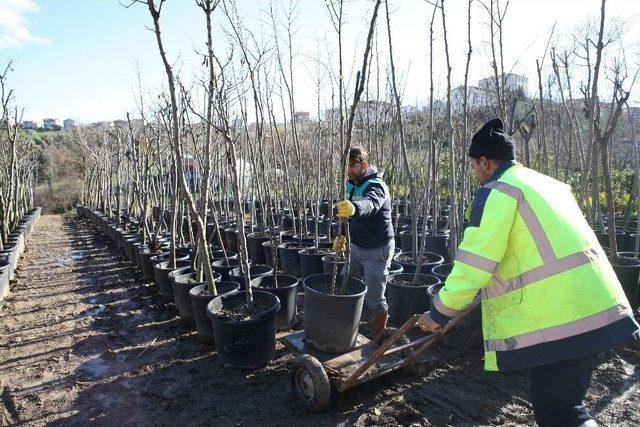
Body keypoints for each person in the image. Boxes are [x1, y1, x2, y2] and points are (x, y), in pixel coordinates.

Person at [417, 117, 640, 427]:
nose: (474, 173)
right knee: (566, 406)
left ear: (485, 162)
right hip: (594, 307)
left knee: (560, 414)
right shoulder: (547, 184)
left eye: (473, 167)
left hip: (561, 318)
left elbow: (474, 264)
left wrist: (440, 312)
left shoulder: (499, 192)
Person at [333, 147, 395, 337]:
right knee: (345, 283)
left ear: (364, 165)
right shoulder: (350, 184)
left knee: (375, 298)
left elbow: (371, 204)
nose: (349, 170)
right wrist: (342, 235)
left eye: (353, 165)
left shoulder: (377, 185)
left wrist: (354, 208)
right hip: (356, 247)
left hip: (377, 250)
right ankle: (347, 326)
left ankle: (379, 336)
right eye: (347, 166)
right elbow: (346, 214)